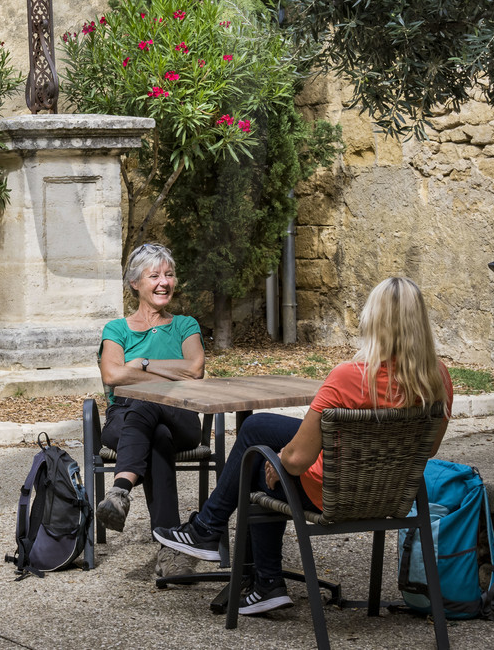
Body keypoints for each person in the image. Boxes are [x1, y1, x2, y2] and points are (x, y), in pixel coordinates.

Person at [153, 276, 454, 616]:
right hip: (391, 493)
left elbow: (296, 461)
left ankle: (235, 556)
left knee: (260, 461)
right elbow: (427, 450)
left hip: (333, 494)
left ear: (374, 321)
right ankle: (225, 548)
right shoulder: (438, 379)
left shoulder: (348, 377)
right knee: (258, 426)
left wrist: (281, 458)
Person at [94, 244, 207, 546]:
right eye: (154, 275)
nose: (164, 282)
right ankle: (170, 546)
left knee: (147, 401)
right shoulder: (117, 329)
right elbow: (112, 375)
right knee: (156, 434)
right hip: (125, 419)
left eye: (169, 275)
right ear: (135, 283)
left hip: (180, 414)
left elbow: (195, 369)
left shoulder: (185, 325)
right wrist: (169, 373)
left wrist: (142, 364)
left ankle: (120, 491)